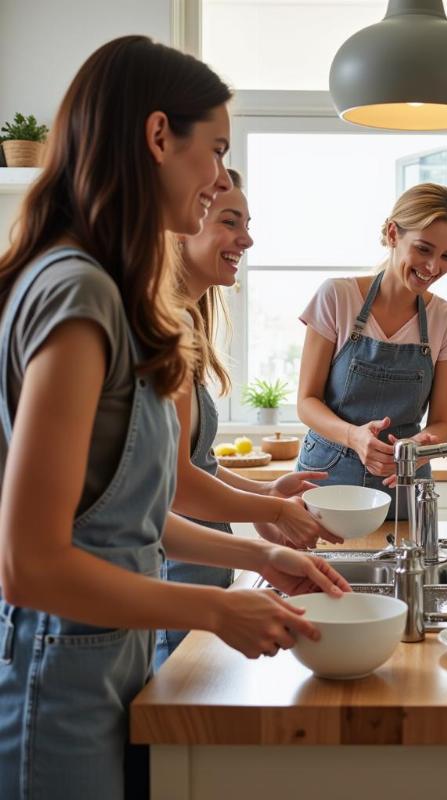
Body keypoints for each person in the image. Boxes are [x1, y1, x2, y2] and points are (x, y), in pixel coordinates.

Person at [0, 37, 348, 800]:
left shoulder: (101, 291)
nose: (220, 175)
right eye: (215, 150)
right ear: (159, 136)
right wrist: (216, 607)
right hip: (56, 676)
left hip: (98, 664)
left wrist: (264, 558)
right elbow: (30, 565)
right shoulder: (77, 291)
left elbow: (128, 517)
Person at [157, 168, 343, 668]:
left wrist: (266, 494)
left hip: (201, 568)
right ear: (183, 223)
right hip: (171, 578)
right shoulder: (156, 332)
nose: (248, 238)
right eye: (228, 221)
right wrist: (273, 513)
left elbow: (197, 465)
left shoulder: (185, 325)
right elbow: (171, 486)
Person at [296, 183, 447, 517]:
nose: (434, 267)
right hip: (326, 480)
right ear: (393, 233)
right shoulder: (337, 297)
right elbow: (306, 403)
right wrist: (354, 437)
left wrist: (420, 448)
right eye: (424, 249)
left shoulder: (446, 320)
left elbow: (440, 424)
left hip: (403, 483)